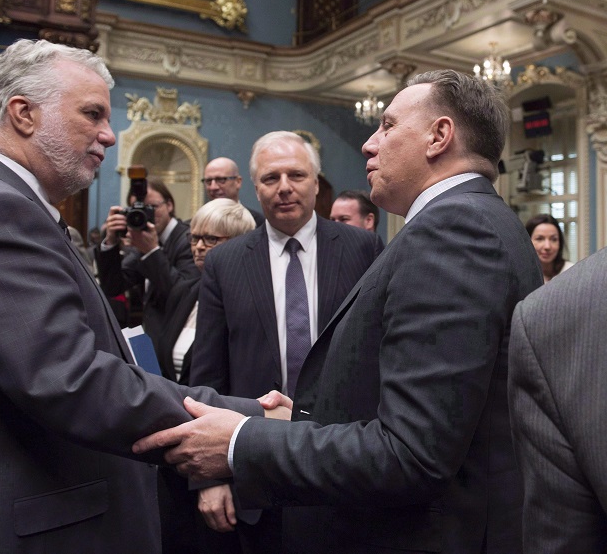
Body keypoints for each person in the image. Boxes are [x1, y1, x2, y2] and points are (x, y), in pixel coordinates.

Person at [133, 70, 544, 554]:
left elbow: (411, 454)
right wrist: (309, 417)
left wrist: (242, 442)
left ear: (439, 136)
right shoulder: (471, 220)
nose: (369, 145)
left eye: (387, 126)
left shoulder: (453, 230)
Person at [0, 38, 269, 554]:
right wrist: (244, 418)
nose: (109, 136)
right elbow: (69, 379)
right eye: (91, 114)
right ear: (22, 113)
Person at [187, 130, 384, 553]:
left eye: (296, 175)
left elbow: (378, 355)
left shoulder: (362, 249)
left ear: (316, 182)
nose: (284, 188)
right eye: (270, 178)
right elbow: (207, 372)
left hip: (344, 458)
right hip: (254, 466)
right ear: (254, 186)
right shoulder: (225, 262)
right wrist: (209, 477)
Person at [155, 198, 256, 554]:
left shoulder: (250, 300)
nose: (199, 246)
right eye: (195, 237)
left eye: (211, 240)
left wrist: (212, 477)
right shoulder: (186, 289)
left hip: (223, 456)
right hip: (175, 451)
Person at [509, 248, 607, 553]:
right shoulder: (545, 322)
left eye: (552, 238)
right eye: (539, 239)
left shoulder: (550, 316)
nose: (546, 245)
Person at [95, 176, 199, 335]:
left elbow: (183, 296)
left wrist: (152, 251)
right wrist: (110, 242)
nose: (146, 214)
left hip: (179, 338)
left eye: (152, 207)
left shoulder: (189, 240)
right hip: (154, 336)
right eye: (138, 209)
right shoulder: (143, 242)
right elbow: (113, 287)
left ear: (169, 205)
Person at [203, 156, 265, 225]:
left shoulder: (257, 222)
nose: (213, 187)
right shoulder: (195, 226)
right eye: (208, 181)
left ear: (238, 182)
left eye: (221, 180)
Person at [525, 213, 573, 283]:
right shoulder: (521, 274)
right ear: (527, 241)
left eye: (553, 239)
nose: (547, 246)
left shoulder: (570, 271)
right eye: (539, 239)